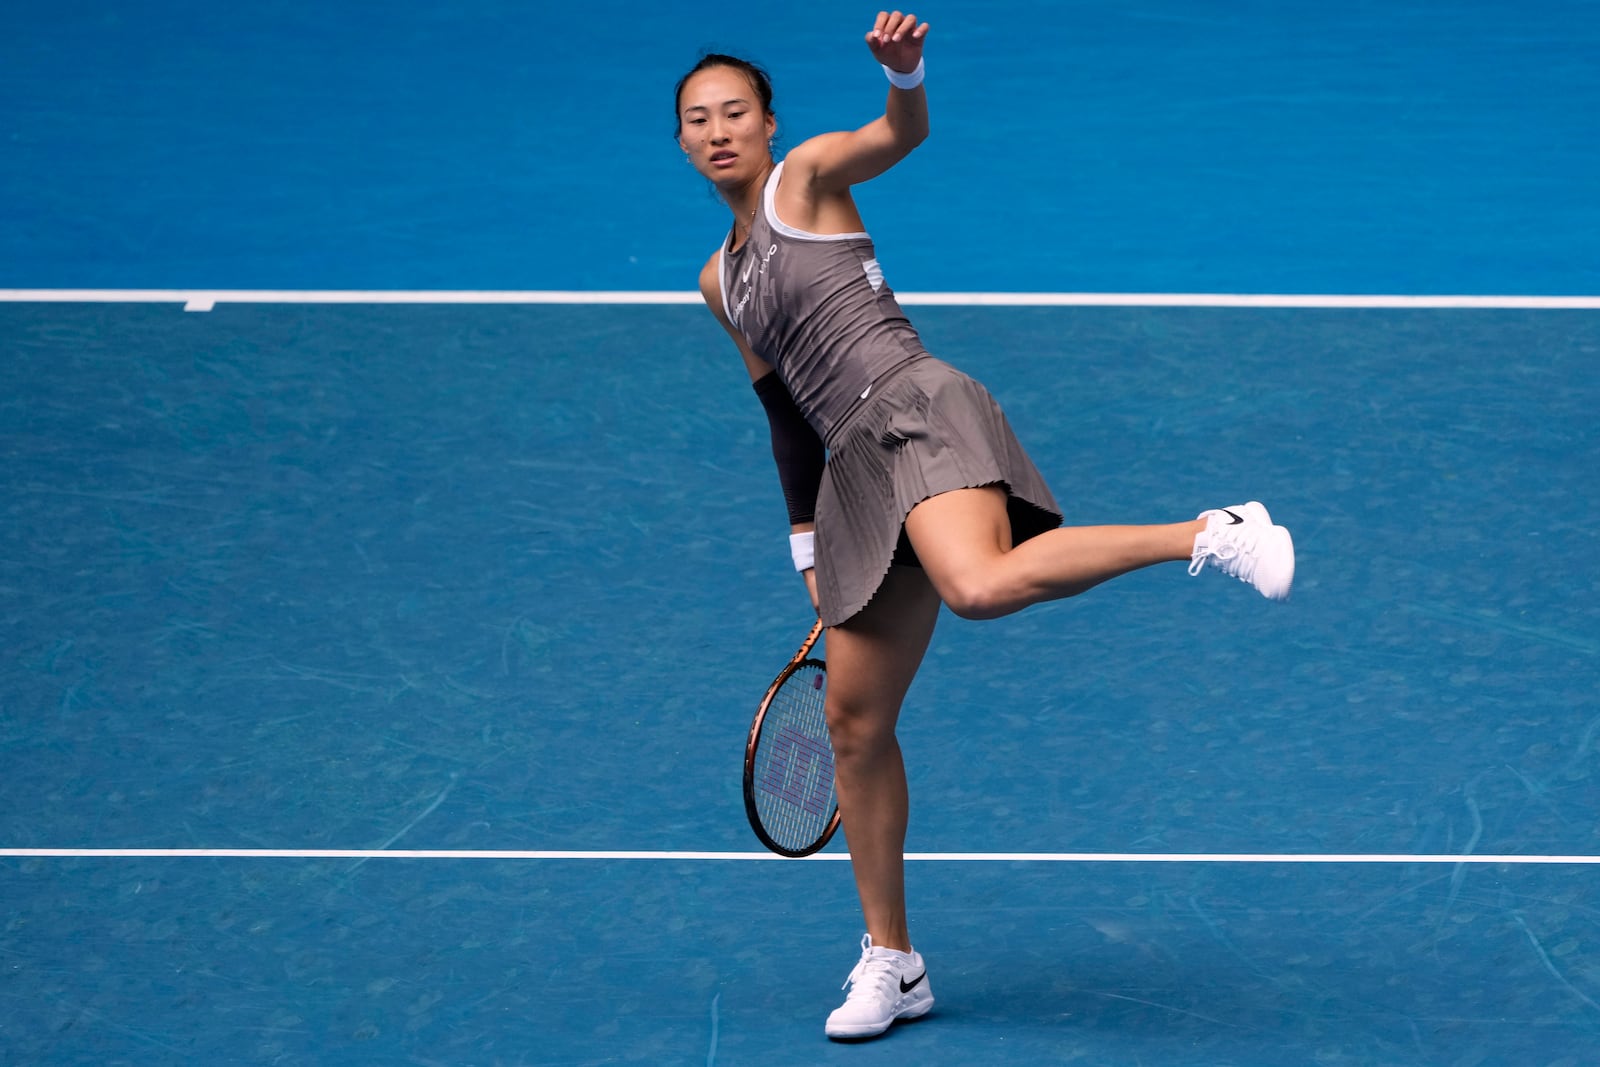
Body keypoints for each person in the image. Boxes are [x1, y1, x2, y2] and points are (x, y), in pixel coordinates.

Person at [675, 11, 1295, 1041]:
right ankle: (893, 962)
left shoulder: (809, 178)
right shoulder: (719, 280)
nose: (717, 129)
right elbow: (782, 414)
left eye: (735, 110)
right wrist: (804, 541)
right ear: (684, 141)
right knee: (854, 725)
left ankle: (1211, 529)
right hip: (852, 475)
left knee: (976, 583)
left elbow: (898, 137)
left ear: (770, 123)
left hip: (915, 403)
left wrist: (905, 76)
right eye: (697, 119)